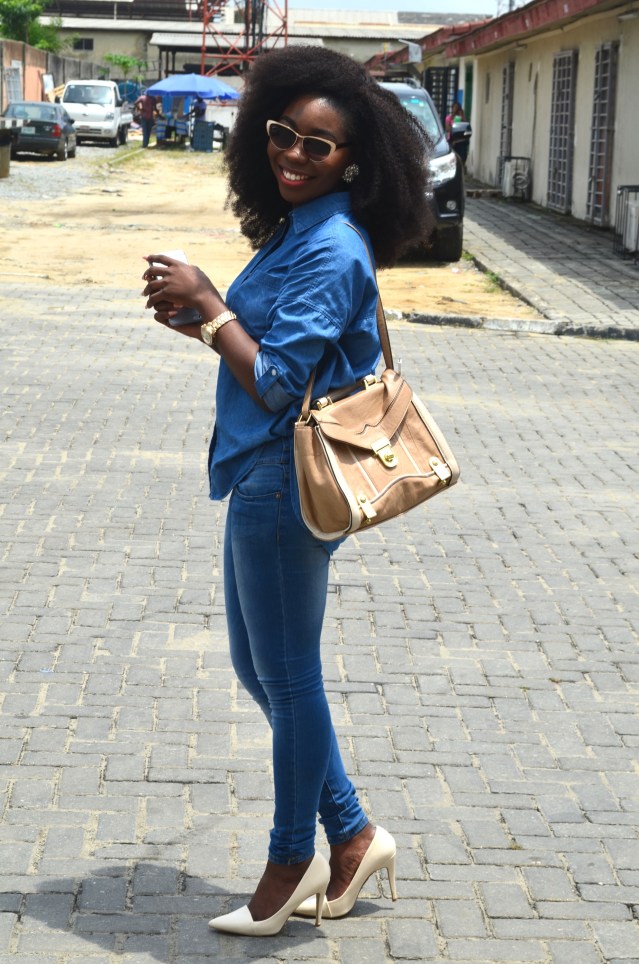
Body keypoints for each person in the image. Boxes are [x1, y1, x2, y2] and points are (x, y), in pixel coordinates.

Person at [141, 45, 431, 938]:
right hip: (261, 470)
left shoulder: (331, 247)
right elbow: (268, 353)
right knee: (261, 668)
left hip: (284, 478)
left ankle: (289, 859)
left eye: (317, 144)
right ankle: (352, 834)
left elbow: (274, 384)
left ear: (353, 161)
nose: (292, 155)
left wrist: (209, 300)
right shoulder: (296, 230)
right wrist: (203, 321)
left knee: (290, 677)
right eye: (281, 134)